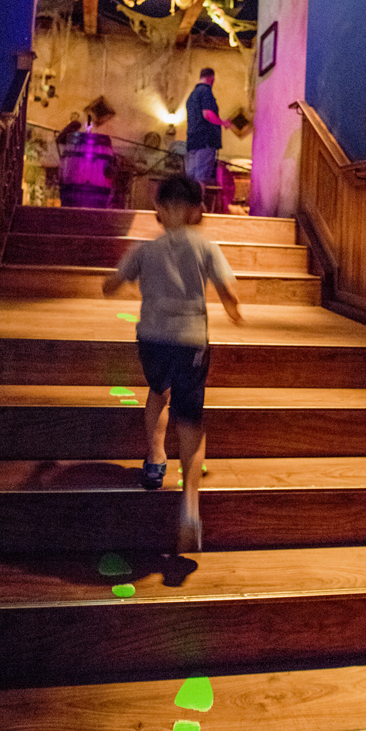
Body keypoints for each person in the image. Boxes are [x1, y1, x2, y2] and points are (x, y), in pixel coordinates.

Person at [102, 174, 241, 553]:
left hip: (151, 340)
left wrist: (117, 284)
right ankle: (190, 507)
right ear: (199, 210)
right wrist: (234, 310)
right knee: (191, 420)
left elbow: (111, 284)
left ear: (158, 210)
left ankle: (155, 459)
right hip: (191, 342)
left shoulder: (145, 250)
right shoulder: (206, 247)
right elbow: (228, 290)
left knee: (157, 393)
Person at [185, 67, 232, 184]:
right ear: (212, 78)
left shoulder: (192, 96)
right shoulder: (206, 91)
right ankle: (200, 196)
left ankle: (190, 196)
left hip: (192, 142)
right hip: (206, 141)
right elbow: (207, 114)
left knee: (190, 180)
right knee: (201, 178)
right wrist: (223, 123)